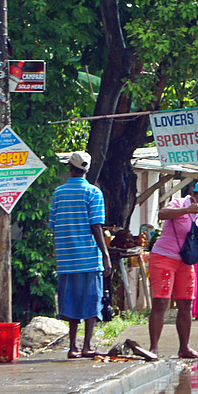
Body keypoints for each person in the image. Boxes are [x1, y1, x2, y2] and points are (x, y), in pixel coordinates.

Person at [148, 180, 198, 358]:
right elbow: (162, 214)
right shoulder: (180, 203)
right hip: (164, 258)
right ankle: (153, 348)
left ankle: (184, 347)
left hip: (185, 262)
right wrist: (187, 210)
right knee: (161, 302)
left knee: (186, 303)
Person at [49, 151, 112, 359]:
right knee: (91, 302)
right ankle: (87, 346)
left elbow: (53, 224)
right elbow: (96, 225)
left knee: (71, 302)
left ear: (70, 167)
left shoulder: (58, 193)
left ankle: (72, 347)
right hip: (88, 258)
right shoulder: (94, 193)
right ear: (88, 169)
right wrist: (105, 254)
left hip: (66, 259)